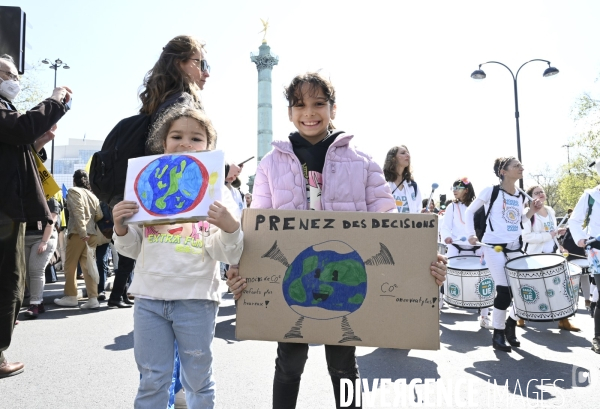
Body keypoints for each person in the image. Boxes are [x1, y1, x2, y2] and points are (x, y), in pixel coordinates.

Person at [226, 72, 447, 409]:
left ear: (333, 108)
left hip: (347, 279)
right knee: (288, 363)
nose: (309, 112)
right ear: (289, 112)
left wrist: (424, 263)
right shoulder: (271, 164)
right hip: (297, 279)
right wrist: (239, 265)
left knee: (343, 365)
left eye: (319, 104)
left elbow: (391, 226)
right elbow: (258, 224)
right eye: (299, 105)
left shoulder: (362, 162)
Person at [112, 104, 243, 408]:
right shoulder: (146, 186)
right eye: (176, 136)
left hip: (196, 299)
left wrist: (230, 227)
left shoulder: (218, 193)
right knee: (152, 379)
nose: (185, 143)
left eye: (196, 138)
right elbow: (133, 248)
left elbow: (226, 251)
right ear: (163, 143)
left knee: (198, 380)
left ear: (209, 147)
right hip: (149, 299)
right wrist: (120, 227)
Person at [109, 34, 210, 310]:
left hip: (151, 199)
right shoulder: (184, 102)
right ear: (181, 64)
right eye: (202, 63)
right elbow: (184, 161)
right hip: (174, 201)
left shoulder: (158, 100)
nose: (206, 73)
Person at [0, 53, 71, 378]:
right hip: (5, 211)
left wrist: (37, 140)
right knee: (9, 280)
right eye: (8, 74)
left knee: (13, 279)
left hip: (10, 210)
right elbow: (19, 129)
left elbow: (17, 140)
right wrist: (53, 101)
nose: (13, 81)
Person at [465, 156, 538, 353]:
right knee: (504, 289)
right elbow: (469, 212)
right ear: (503, 172)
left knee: (521, 288)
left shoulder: (521, 195)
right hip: (492, 247)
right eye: (516, 165)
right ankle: (498, 333)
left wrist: (531, 211)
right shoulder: (491, 191)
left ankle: (510, 324)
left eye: (521, 165)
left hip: (515, 247)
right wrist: (471, 234)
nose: (521, 167)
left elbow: (519, 220)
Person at [521, 185, 577, 331]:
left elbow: (552, 232)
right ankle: (519, 315)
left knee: (560, 286)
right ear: (530, 197)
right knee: (532, 287)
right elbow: (526, 237)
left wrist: (558, 233)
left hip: (553, 254)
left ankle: (564, 320)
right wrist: (550, 234)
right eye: (536, 193)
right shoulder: (527, 213)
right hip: (535, 256)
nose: (540, 194)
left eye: (541, 191)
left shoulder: (551, 210)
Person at [441, 177, 492, 328]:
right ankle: (438, 305)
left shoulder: (479, 206)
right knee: (445, 275)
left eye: (458, 187)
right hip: (456, 247)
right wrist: (447, 237)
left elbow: (485, 226)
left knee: (483, 280)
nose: (455, 190)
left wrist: (483, 244)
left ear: (467, 190)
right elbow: (445, 226)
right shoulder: (452, 207)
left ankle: (484, 316)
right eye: (453, 187)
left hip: (477, 248)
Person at [54, 170, 108, 309]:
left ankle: (71, 296)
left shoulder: (73, 191)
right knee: (88, 266)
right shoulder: (92, 195)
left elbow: (78, 212)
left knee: (70, 265)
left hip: (78, 233)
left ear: (74, 180)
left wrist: (83, 231)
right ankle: (93, 298)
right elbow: (99, 215)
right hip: (93, 234)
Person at [568, 159, 600, 354]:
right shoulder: (590, 195)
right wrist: (581, 238)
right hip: (597, 250)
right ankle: (598, 337)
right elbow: (575, 220)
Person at [23, 197, 60, 318]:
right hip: (25, 238)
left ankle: (34, 304)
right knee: (28, 271)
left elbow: (51, 222)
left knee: (35, 269)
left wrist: (44, 241)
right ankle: (39, 302)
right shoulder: (23, 196)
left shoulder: (51, 200)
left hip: (43, 237)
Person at [383, 145, 423, 214]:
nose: (408, 155)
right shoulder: (383, 183)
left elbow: (418, 210)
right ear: (393, 158)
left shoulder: (413, 185)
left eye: (408, 153)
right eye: (403, 153)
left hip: (410, 224)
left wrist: (423, 213)